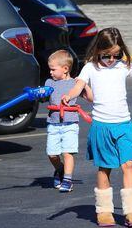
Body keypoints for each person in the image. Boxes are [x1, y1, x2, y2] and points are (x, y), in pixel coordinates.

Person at [62, 27, 132, 227]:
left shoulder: (123, 66)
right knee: (105, 168)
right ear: (98, 50)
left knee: (128, 165)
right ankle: (104, 210)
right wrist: (69, 96)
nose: (112, 59)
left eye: (117, 54)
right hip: (102, 126)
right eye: (107, 55)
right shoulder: (89, 68)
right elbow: (78, 86)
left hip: (124, 125)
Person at [45, 49, 87, 192]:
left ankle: (67, 180)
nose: (50, 72)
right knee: (52, 154)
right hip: (53, 123)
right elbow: (44, 95)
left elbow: (92, 98)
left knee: (68, 152)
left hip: (70, 123)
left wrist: (84, 83)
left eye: (53, 69)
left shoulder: (75, 84)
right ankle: (60, 170)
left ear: (65, 69)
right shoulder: (49, 82)